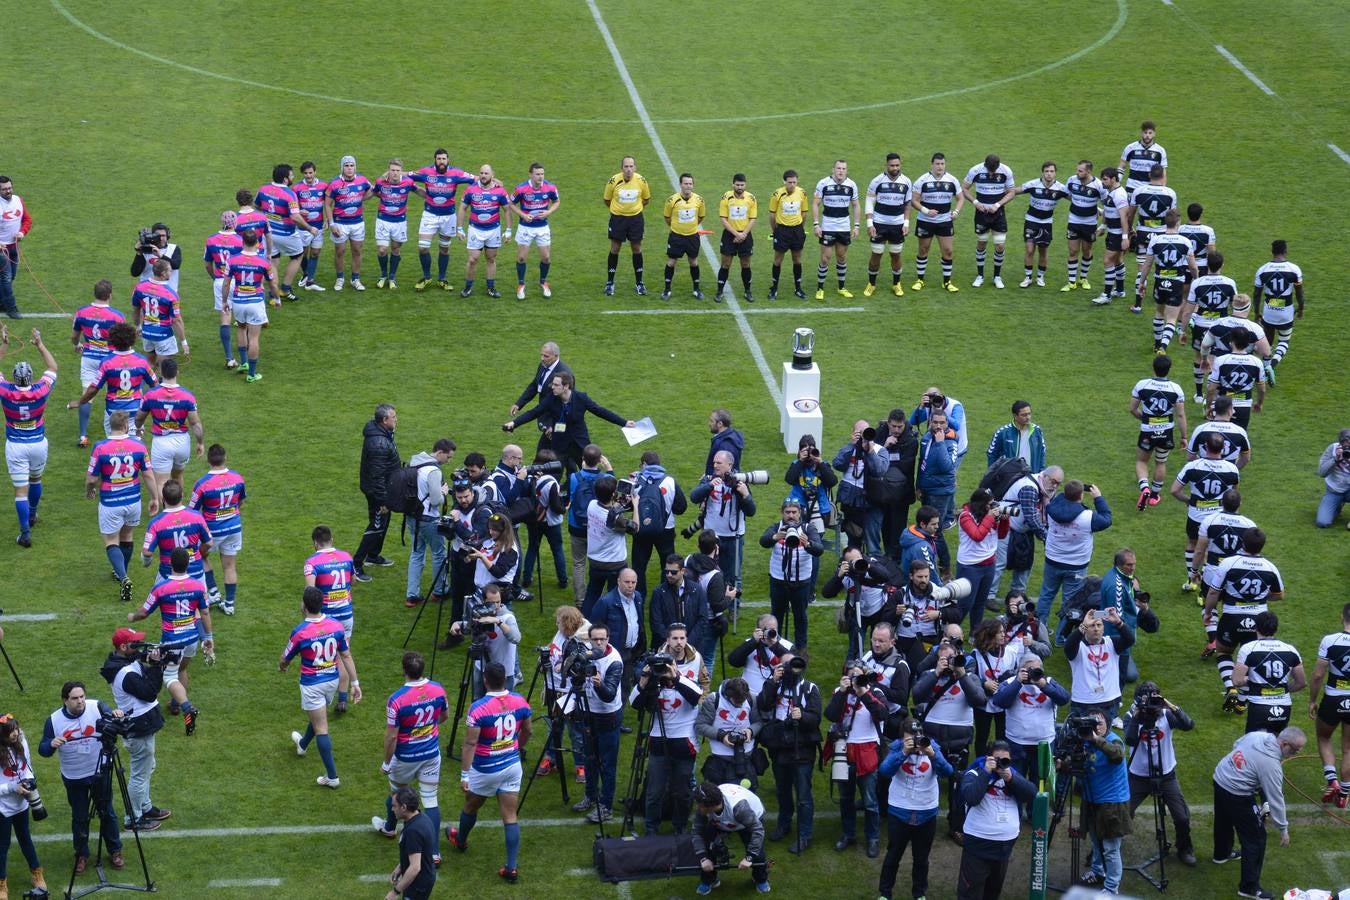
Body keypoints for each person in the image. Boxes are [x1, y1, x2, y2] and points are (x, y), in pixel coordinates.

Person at [447, 662, 532, 884]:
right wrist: (515, 748)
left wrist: (465, 774)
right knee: (510, 816)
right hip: (512, 766)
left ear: (485, 680)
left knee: (471, 805)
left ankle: (461, 840)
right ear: (504, 679)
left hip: (485, 768)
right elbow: (528, 731)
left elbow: (470, 743)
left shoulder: (479, 707)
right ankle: (511, 867)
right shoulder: (520, 701)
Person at [38, 681, 126, 873]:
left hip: (99, 773)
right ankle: (81, 854)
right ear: (65, 700)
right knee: (80, 817)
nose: (80, 701)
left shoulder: (96, 706)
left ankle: (115, 850)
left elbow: (111, 716)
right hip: (74, 777)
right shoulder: (53, 721)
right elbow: (43, 750)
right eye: (75, 698)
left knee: (107, 813)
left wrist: (116, 713)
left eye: (82, 697)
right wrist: (51, 743)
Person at [281, 586, 362, 789]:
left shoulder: (300, 632)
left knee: (321, 727)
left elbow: (286, 657)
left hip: (312, 684)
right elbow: (346, 656)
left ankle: (332, 777)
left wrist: (282, 666)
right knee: (319, 715)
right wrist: (354, 683)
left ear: (305, 606)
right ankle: (302, 744)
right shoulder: (336, 626)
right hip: (332, 681)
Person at [1212, 727, 1305, 899]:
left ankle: (1221, 854)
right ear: (1284, 744)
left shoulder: (1259, 735)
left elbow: (1237, 744)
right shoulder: (1271, 765)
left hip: (1220, 777)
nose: (1294, 754)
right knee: (1256, 838)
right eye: (1294, 750)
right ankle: (1249, 887)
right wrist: (1283, 829)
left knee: (1223, 819)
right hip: (1237, 793)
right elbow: (1276, 799)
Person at [127, 547, 211, 735]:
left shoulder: (161, 587)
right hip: (192, 637)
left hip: (172, 640)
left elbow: (144, 612)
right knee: (182, 669)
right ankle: (174, 704)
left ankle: (186, 706)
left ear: (170, 564)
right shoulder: (198, 586)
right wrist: (209, 637)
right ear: (188, 564)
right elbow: (204, 612)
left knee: (169, 676)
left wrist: (132, 617)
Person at [374, 652, 448, 867]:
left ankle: (389, 827)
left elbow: (392, 736)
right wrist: (427, 729)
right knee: (431, 799)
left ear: (404, 670)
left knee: (397, 793)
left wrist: (387, 762)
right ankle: (434, 853)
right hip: (431, 754)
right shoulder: (438, 689)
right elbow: (444, 716)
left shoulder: (397, 699)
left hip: (405, 756)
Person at [1204, 528, 1285, 711]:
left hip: (1232, 617)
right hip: (1259, 620)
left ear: (1243, 543)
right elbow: (1279, 595)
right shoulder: (1270, 567)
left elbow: (1214, 591)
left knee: (1224, 653)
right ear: (1262, 546)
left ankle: (1230, 687)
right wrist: (1261, 599)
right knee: (1250, 660)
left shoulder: (1229, 563)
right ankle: (1242, 702)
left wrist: (1209, 612)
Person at [100, 626, 171, 829]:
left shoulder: (127, 663)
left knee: (148, 767)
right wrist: (157, 666)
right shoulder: (125, 672)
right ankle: (134, 818)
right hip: (139, 729)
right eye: (135, 643)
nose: (140, 645)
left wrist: (157, 663)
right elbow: (149, 692)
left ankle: (145, 807)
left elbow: (147, 678)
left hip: (141, 726)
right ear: (124, 646)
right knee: (140, 774)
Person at [875, 716, 953, 900]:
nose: (917, 740)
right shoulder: (896, 747)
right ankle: (885, 894)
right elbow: (884, 771)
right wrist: (903, 752)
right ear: (903, 737)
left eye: (919, 735)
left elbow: (947, 772)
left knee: (921, 859)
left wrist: (932, 755)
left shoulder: (932, 747)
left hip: (926, 812)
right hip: (899, 811)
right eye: (911, 736)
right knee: (893, 856)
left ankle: (919, 894)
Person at [630, 645, 704, 835]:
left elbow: (696, 696)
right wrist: (644, 681)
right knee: (654, 790)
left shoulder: (687, 682)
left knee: (682, 791)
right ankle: (651, 828)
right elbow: (634, 704)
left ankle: (680, 826)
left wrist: (675, 678)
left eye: (668, 666)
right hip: (658, 742)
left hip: (684, 744)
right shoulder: (654, 686)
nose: (663, 671)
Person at [1122, 680, 1197, 866]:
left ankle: (1184, 848)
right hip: (1138, 775)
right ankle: (1110, 847)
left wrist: (1169, 705)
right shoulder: (1131, 716)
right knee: (1122, 812)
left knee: (1181, 817)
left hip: (1165, 775)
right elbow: (1130, 740)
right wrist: (1139, 716)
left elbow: (1189, 725)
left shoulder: (1166, 714)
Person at [84, 411, 154, 602]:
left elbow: (91, 478)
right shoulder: (138, 445)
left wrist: (89, 489)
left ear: (111, 425)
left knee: (111, 540)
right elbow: (148, 474)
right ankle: (121, 572)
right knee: (127, 536)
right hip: (133, 500)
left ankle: (123, 577)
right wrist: (155, 497)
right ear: (125, 427)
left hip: (110, 502)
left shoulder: (100, 447)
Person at [504, 370, 632, 471]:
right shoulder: (551, 399)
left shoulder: (581, 398)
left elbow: (601, 411)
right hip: (560, 445)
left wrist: (624, 423)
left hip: (579, 444)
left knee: (588, 472)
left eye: (556, 385)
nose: (552, 387)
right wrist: (514, 423)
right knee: (555, 473)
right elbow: (534, 412)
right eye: (552, 384)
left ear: (566, 386)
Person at [757, 651, 820, 853]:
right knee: (782, 790)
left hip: (802, 749)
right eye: (784, 664)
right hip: (780, 747)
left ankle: (805, 835)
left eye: (793, 664)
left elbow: (816, 719)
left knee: (803, 794)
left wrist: (802, 716)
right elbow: (763, 704)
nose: (789, 668)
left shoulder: (809, 689)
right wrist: (773, 681)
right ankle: (784, 825)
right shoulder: (774, 684)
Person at [956, 740, 1036, 900]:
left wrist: (1011, 778)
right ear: (988, 757)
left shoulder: (1010, 773)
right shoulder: (975, 772)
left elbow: (1031, 793)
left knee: (993, 892)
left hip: (1004, 847)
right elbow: (971, 797)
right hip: (978, 845)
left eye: (1004, 760)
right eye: (996, 759)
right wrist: (986, 772)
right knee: (971, 893)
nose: (1000, 764)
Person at [826, 660, 890, 858]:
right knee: (846, 798)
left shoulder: (875, 692)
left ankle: (873, 838)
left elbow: (882, 714)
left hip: (867, 750)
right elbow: (830, 715)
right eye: (852, 675)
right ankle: (848, 833)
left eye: (858, 675)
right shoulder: (840, 692)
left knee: (870, 801)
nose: (855, 679)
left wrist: (862, 693)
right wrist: (843, 692)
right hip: (844, 749)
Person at [0, 325, 56, 548]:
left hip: (15, 445)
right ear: (32, 378)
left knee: (20, 491)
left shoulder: (5, 390)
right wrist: (40, 344)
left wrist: (4, 343)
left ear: (14, 378)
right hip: (38, 444)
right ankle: (33, 514)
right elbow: (53, 367)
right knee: (36, 480)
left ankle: (25, 533)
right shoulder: (41, 390)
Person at [1036, 480, 1112, 625]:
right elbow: (1107, 518)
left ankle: (1038, 630)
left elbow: (1058, 498)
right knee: (1070, 601)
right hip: (1076, 566)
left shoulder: (1052, 509)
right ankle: (1061, 637)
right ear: (1081, 496)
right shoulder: (1088, 517)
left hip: (1052, 561)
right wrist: (1098, 498)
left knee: (1046, 595)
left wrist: (1070, 491)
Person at [1173, 432, 1241, 589]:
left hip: (1196, 516)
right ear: (1223, 448)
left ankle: (1192, 580)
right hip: (1219, 517)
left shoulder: (1192, 466)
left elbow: (1174, 490)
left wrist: (1189, 501)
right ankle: (1208, 581)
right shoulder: (1232, 469)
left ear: (1204, 447)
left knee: (1192, 543)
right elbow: (1234, 495)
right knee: (1211, 549)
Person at [1074, 710, 1132, 894]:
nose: (1096, 726)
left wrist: (1095, 739)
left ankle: (1111, 888)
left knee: (1110, 849)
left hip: (1112, 804)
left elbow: (1116, 755)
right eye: (1092, 722)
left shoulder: (1114, 740)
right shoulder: (1085, 741)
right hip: (1091, 800)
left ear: (1107, 724)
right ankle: (1098, 872)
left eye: (1099, 723)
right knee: (1096, 842)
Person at [572, 622, 624, 823]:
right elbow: (575, 680)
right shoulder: (585, 653)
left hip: (607, 716)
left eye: (603, 639)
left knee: (607, 763)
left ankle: (606, 805)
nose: (599, 643)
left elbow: (609, 696)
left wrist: (600, 684)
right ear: (589, 639)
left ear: (608, 639)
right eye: (595, 639)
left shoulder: (615, 661)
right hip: (588, 713)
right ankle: (591, 796)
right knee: (589, 758)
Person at [67, 321, 155, 440]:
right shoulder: (141, 361)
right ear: (133, 339)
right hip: (135, 411)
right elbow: (155, 385)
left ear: (112, 340)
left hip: (113, 411)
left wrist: (80, 402)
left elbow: (93, 389)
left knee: (114, 445)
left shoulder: (107, 362)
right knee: (135, 447)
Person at [304, 525, 359, 709]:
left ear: (315, 543)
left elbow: (310, 591)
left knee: (330, 657)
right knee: (344, 654)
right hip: (346, 614)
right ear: (331, 540)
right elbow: (353, 581)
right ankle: (342, 698)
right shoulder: (347, 557)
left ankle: (322, 695)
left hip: (327, 617)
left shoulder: (312, 562)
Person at [989, 467, 1061, 603]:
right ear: (1044, 476)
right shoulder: (1028, 487)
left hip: (1023, 528)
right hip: (1006, 524)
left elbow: (1047, 514)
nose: (1055, 486)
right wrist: (1048, 538)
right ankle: (988, 596)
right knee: (999, 561)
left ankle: (1018, 595)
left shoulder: (1046, 488)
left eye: (1059, 483)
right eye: (1053, 481)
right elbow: (1031, 518)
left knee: (1025, 563)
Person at [188, 444, 246, 613]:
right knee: (230, 566)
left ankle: (212, 591)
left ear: (208, 460)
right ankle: (229, 604)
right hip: (234, 527)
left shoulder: (202, 484)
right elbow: (240, 501)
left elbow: (192, 511)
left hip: (212, 530)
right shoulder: (237, 478)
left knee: (199, 555)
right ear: (225, 458)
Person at [760, 497, 824, 649]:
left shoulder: (808, 529)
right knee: (776, 617)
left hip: (801, 582)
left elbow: (819, 550)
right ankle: (774, 649)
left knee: (800, 617)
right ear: (782, 513)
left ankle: (801, 651)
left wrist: (808, 543)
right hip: (778, 581)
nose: (791, 515)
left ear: (800, 513)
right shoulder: (776, 528)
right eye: (787, 512)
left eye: (794, 512)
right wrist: (775, 537)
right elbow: (763, 541)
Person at [991, 652, 1069, 777]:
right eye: (1028, 670)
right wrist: (1018, 683)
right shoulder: (1011, 682)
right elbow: (999, 701)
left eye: (1036, 669)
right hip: (1016, 742)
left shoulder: (1048, 682)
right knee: (1015, 779)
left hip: (1044, 743)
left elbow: (1064, 699)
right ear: (1020, 670)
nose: (1032, 673)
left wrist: (1044, 686)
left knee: (1040, 781)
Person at [410, 149, 477, 291]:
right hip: (430, 215)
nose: (441, 161)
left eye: (444, 159)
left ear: (448, 160)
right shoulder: (426, 172)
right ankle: (427, 277)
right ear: (435, 159)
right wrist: (393, 174)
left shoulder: (456, 173)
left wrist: (493, 180)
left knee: (444, 249)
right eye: (439, 158)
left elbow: (476, 179)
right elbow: (409, 175)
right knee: (423, 248)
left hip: (448, 216)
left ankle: (442, 278)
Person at [135, 358, 203, 499]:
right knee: (178, 476)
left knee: (161, 482)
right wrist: (200, 442)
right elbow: (195, 424)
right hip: (181, 442)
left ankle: (167, 513)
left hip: (161, 443)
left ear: (160, 371)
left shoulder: (150, 395)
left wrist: (138, 427)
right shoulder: (187, 396)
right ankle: (178, 509)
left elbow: (139, 417)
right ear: (177, 372)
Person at [691, 450, 757, 590]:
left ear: (730, 464)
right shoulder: (708, 479)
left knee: (733, 575)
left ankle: (733, 607)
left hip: (734, 537)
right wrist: (709, 485)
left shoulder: (739, 481)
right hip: (711, 537)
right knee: (707, 571)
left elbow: (751, 511)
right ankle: (710, 605)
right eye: (714, 462)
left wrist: (745, 494)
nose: (715, 465)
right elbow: (694, 497)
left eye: (719, 463)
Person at [70, 279, 127, 442]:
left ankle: (82, 435)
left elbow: (74, 337)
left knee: (87, 394)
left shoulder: (81, 312)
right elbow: (122, 341)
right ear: (110, 295)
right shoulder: (117, 316)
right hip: (110, 360)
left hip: (89, 358)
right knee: (115, 394)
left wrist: (78, 345)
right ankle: (119, 432)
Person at [402, 438, 456, 608]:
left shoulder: (415, 461)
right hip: (428, 518)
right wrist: (443, 492)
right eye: (448, 457)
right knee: (439, 553)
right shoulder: (434, 471)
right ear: (440, 453)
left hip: (411, 516)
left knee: (417, 553)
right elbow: (435, 500)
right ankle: (440, 591)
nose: (449, 461)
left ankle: (412, 595)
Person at [691, 782, 770, 895]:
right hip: (721, 821)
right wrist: (703, 858)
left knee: (758, 853)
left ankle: (760, 879)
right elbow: (697, 833)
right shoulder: (704, 809)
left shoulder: (740, 808)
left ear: (708, 806)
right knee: (709, 847)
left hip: (750, 820)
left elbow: (757, 830)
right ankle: (709, 879)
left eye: (699, 804)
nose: (697, 806)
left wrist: (749, 857)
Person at [1233, 611, 1305, 734]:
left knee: (1254, 746)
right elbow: (1301, 683)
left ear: (1256, 627)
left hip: (1259, 706)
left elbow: (1237, 681)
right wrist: (1282, 689)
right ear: (1276, 628)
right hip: (1284, 706)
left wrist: (1249, 680)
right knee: (1276, 747)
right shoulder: (1291, 650)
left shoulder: (1248, 649)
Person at [221, 229, 279, 383]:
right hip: (255, 302)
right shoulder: (264, 262)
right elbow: (272, 284)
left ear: (242, 242)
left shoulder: (232, 260)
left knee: (241, 328)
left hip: (239, 301)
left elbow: (226, 283)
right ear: (258, 243)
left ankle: (244, 362)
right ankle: (252, 374)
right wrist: (277, 298)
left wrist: (225, 301)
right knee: (254, 338)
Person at [628, 451, 687, 599]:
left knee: (639, 566)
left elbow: (627, 505)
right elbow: (681, 508)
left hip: (641, 529)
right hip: (665, 530)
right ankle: (665, 596)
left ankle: (638, 598)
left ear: (645, 464)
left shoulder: (636, 481)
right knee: (667, 566)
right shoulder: (670, 481)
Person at [1139, 209, 1198, 352]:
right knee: (1171, 318)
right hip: (1176, 282)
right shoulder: (1185, 242)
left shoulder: (1155, 240)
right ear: (1178, 223)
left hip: (1160, 281)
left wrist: (1141, 282)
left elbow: (1147, 264)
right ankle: (1163, 347)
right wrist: (1196, 279)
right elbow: (1193, 267)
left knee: (1159, 313)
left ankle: (1157, 343)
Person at [1309, 602, 1350, 807]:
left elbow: (1317, 675)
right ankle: (1343, 794)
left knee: (1324, 737)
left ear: (1342, 617)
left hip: (1333, 699)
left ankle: (1332, 779)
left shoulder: (1330, 640)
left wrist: (1313, 700)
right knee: (1349, 749)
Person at [0, 716, 46, 898]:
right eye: (11, 732)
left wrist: (28, 780)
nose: (16, 734)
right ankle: (1, 883)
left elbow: (27, 766)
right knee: (2, 846)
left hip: (21, 804)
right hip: (2, 807)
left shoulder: (22, 741)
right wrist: (13, 787)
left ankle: (37, 873)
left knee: (25, 838)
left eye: (17, 729)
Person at [256, 163, 316, 299]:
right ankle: (285, 289)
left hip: (268, 234)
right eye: (291, 175)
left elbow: (258, 205)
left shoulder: (263, 189)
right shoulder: (290, 194)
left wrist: (270, 215)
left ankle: (273, 295)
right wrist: (309, 228)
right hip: (286, 234)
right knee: (298, 256)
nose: (293, 177)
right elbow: (295, 217)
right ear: (285, 179)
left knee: (273, 261)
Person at [1181, 237, 1231, 398]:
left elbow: (1188, 310)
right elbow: (1235, 306)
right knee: (1217, 358)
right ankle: (1213, 393)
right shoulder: (1230, 283)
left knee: (1199, 355)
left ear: (1207, 265)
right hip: (1222, 325)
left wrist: (1182, 330)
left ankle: (1199, 394)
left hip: (1201, 324)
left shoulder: (1198, 283)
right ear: (1222, 265)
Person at [354, 404, 400, 580]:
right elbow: (377, 475)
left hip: (381, 489)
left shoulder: (380, 433)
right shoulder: (379, 443)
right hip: (378, 493)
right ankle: (357, 564)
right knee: (377, 525)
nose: (396, 420)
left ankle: (373, 555)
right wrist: (383, 500)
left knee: (383, 522)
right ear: (384, 420)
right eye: (394, 417)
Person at [1098, 549, 1157, 685]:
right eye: (1129, 565)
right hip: (1115, 636)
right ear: (1119, 565)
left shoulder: (1115, 575)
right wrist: (1121, 647)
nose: (1133, 568)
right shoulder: (1116, 586)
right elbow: (1116, 619)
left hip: (1109, 625)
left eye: (1134, 564)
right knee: (1128, 676)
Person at [1065, 608, 1133, 724]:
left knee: (1105, 738)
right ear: (1086, 629)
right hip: (1083, 702)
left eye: (1099, 625)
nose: (1096, 629)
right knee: (1081, 738)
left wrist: (1118, 622)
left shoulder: (1111, 643)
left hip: (1109, 701)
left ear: (1103, 628)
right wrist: (1083, 625)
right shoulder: (1078, 647)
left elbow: (1130, 640)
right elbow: (1068, 646)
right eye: (1092, 626)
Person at [139, 480, 213, 586]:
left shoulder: (156, 523)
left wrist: (146, 562)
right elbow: (209, 543)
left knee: (160, 600)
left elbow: (147, 552)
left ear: (163, 499)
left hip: (168, 575)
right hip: (196, 573)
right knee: (202, 601)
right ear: (182, 496)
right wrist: (198, 553)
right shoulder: (197, 517)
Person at [581, 477, 636, 617]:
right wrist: (636, 506)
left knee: (592, 595)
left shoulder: (592, 505)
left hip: (595, 560)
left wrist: (619, 505)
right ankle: (611, 622)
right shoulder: (617, 519)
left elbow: (610, 509)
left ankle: (585, 625)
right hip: (615, 564)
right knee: (615, 597)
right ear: (613, 494)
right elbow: (635, 528)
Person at [910, 152, 964, 292]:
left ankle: (946, 282)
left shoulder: (952, 180)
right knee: (923, 250)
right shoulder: (922, 180)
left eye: (942, 164)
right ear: (932, 165)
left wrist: (956, 212)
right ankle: (920, 280)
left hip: (945, 221)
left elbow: (961, 198)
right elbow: (914, 201)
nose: (940, 167)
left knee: (948, 251)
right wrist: (926, 211)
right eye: (937, 164)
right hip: (925, 221)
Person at [833, 420, 889, 555]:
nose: (863, 436)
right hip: (851, 501)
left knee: (872, 543)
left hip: (872, 501)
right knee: (853, 538)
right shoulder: (849, 448)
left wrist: (869, 451)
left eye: (866, 432)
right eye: (860, 432)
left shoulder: (880, 450)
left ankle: (873, 570)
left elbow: (880, 470)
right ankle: (853, 567)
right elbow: (837, 464)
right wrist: (850, 446)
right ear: (854, 433)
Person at [859, 153, 912, 297]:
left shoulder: (906, 181)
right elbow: (869, 202)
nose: (895, 168)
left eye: (897, 165)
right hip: (879, 223)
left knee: (896, 255)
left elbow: (908, 204)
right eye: (892, 165)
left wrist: (906, 223)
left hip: (898, 225)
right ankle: (871, 284)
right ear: (886, 165)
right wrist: (870, 224)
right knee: (876, 254)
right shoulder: (877, 181)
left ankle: (896, 284)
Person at [696, 677, 762, 789]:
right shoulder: (713, 700)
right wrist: (722, 736)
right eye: (737, 702)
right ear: (728, 695)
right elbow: (700, 726)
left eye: (743, 702)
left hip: (746, 757)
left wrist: (750, 731)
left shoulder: (751, 699)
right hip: (721, 760)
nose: (741, 705)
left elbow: (759, 722)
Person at [961, 153, 1015, 289]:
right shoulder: (976, 170)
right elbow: (963, 188)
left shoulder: (1005, 171)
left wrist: (997, 205)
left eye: (993, 171)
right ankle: (980, 276)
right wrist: (976, 202)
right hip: (981, 213)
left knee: (1000, 245)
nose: (991, 174)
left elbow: (1011, 192)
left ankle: (997, 276)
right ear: (985, 165)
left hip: (999, 213)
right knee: (982, 243)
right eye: (989, 171)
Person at [458, 164, 512, 297]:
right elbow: (462, 208)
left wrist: (509, 229)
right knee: (472, 259)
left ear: (492, 175)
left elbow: (507, 210)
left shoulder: (500, 191)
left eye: (486, 173)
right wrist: (459, 228)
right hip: (475, 229)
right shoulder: (471, 190)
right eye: (481, 173)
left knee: (491, 259)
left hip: (493, 230)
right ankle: (468, 287)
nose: (483, 176)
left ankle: (491, 288)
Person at [1128, 164, 1177, 313]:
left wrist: (1130, 229)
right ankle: (1161, 295)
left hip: (1143, 233)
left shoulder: (1139, 191)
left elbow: (1131, 213)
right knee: (1162, 267)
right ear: (1163, 176)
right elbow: (1173, 216)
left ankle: (1137, 304)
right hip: (1162, 234)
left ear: (1149, 175)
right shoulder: (1170, 193)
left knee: (1142, 268)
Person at [1012, 161, 1069, 288]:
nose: (1049, 174)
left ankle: (1040, 277)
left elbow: (1076, 200)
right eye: (1046, 171)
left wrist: (1097, 209)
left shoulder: (1061, 188)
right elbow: (1016, 191)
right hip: (1031, 220)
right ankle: (1027, 277)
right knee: (1029, 249)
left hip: (1046, 223)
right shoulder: (1033, 184)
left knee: (1043, 250)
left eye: (1051, 171)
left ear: (1055, 173)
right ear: (1042, 172)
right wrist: (1001, 192)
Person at [508, 162, 560, 300]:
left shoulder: (550, 187)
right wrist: (523, 215)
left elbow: (556, 201)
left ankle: (543, 282)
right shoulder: (521, 189)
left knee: (546, 258)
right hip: (525, 228)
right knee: (521, 258)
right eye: (537, 174)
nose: (540, 177)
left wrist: (549, 212)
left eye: (542, 174)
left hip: (542, 227)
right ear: (530, 174)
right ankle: (521, 285)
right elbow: (511, 203)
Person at [565, 444, 610, 605]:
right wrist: (609, 468)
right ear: (599, 460)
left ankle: (581, 599)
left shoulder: (574, 477)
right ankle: (599, 597)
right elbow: (613, 488)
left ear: (583, 459)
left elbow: (571, 496)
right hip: (597, 527)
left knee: (579, 563)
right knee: (598, 562)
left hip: (576, 526)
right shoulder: (605, 478)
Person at [591, 568, 645, 699]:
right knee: (611, 685)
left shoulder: (637, 597)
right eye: (627, 582)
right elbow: (594, 628)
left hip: (631, 652)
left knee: (625, 686)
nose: (630, 585)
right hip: (613, 652)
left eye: (633, 582)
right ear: (618, 581)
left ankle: (618, 712)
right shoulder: (606, 602)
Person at [916, 410, 959, 573]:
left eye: (942, 423)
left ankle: (945, 566)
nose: (939, 426)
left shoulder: (950, 443)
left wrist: (940, 443)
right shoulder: (926, 438)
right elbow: (922, 463)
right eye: (935, 422)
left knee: (935, 530)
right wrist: (918, 485)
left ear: (947, 424)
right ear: (930, 422)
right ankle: (929, 559)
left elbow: (946, 466)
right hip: (927, 489)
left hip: (940, 493)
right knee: (925, 528)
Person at [649, 554, 713, 664]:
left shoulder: (697, 590)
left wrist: (685, 643)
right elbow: (656, 623)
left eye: (673, 572)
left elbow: (702, 619)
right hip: (666, 650)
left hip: (692, 648)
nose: (669, 575)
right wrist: (672, 642)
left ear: (683, 571)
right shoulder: (658, 593)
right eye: (666, 571)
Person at [811, 159, 861, 299]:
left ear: (847, 170)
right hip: (828, 226)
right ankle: (820, 289)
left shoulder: (851, 185)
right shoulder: (823, 184)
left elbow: (856, 205)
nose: (841, 171)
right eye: (838, 168)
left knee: (842, 256)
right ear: (833, 169)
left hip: (844, 226)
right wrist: (816, 224)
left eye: (844, 168)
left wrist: (856, 226)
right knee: (826, 258)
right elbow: (815, 204)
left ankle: (841, 287)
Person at [602, 156, 651, 296]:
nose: (629, 169)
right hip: (618, 219)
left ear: (635, 168)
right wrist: (619, 211)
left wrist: (633, 210)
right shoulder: (613, 181)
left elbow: (646, 199)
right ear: (621, 168)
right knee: (615, 248)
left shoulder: (641, 181)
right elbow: (607, 200)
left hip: (636, 219)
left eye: (631, 166)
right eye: (626, 166)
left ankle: (639, 283)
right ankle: (610, 282)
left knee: (636, 248)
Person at [520, 447, 568, 593]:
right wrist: (565, 507)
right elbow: (556, 506)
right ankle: (563, 580)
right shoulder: (551, 482)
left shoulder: (529, 477)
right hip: (551, 522)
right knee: (557, 550)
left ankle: (526, 579)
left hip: (534, 520)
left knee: (532, 548)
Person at [324, 154, 374, 291]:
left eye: (352, 165)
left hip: (357, 223)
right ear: (342, 168)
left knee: (357, 251)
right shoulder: (334, 184)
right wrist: (332, 223)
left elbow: (373, 190)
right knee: (340, 251)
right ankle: (340, 278)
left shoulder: (362, 180)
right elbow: (327, 205)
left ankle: (355, 279)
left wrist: (361, 198)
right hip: (340, 223)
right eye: (346, 166)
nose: (349, 168)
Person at [1252, 239, 1305, 369]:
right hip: (1286, 312)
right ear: (1285, 252)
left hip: (1269, 311)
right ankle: (1272, 365)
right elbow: (1299, 293)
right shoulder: (1294, 269)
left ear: (1272, 252)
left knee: (1268, 342)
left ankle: (1265, 368)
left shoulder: (1262, 270)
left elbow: (1256, 294)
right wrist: (1301, 308)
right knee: (1284, 340)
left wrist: (1257, 312)